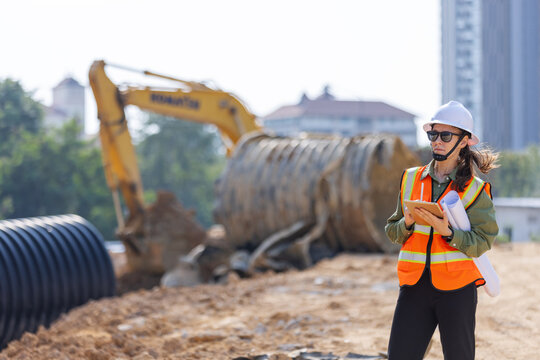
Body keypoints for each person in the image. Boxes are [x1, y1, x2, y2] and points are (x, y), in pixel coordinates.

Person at [385, 101, 499, 360]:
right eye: (432, 134)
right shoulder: (411, 179)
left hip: (457, 290)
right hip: (414, 286)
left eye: (445, 135)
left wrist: (448, 233)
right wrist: (408, 222)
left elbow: (482, 241)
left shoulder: (475, 190)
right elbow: (392, 231)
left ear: (464, 141)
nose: (437, 141)